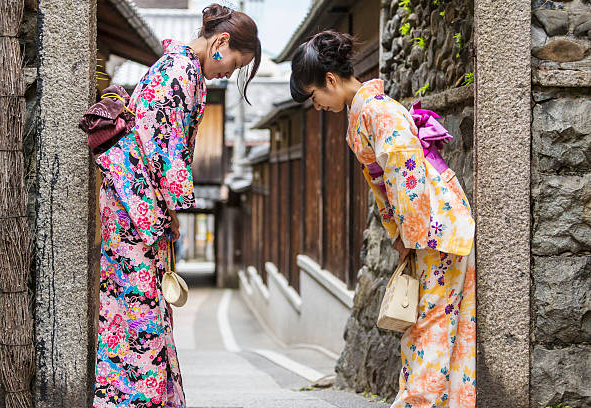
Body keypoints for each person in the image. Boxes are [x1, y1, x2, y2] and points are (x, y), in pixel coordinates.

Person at [290, 30, 476, 408]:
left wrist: (408, 233)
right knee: (437, 323)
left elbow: (405, 176)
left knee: (431, 325)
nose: (317, 106)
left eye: (314, 97)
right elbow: (391, 181)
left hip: (432, 226)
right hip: (430, 225)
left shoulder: (377, 111)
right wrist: (401, 233)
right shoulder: (368, 111)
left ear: (329, 80)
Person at [92, 4, 261, 407]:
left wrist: (168, 211)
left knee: (139, 302)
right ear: (221, 42)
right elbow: (162, 147)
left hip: (132, 199)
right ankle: (137, 400)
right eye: (235, 64)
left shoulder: (178, 68)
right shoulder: (180, 71)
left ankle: (154, 398)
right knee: (137, 307)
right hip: (136, 204)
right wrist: (174, 206)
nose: (230, 73)